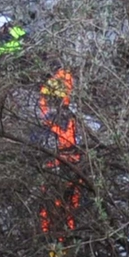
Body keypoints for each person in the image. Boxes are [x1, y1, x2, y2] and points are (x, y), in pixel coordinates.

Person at [37, 68, 83, 241]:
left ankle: (60, 243)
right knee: (61, 209)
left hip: (62, 167)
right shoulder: (66, 118)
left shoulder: (60, 118)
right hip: (64, 167)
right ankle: (60, 243)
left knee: (60, 209)